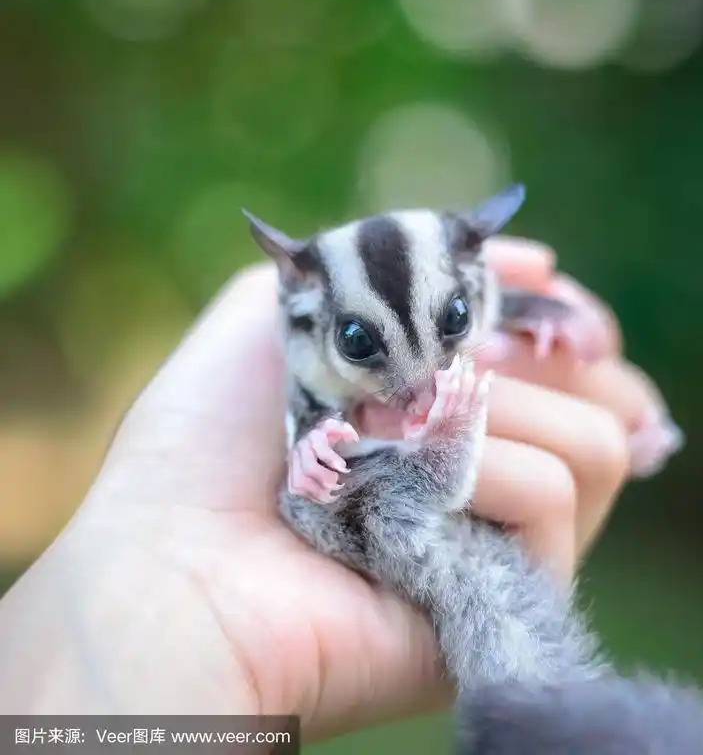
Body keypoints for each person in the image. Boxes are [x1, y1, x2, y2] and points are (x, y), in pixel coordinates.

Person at [0, 237, 669, 741]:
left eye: (452, 323)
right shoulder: (293, 335)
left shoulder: (463, 286)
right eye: (363, 341)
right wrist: (193, 609)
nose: (412, 379)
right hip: (352, 507)